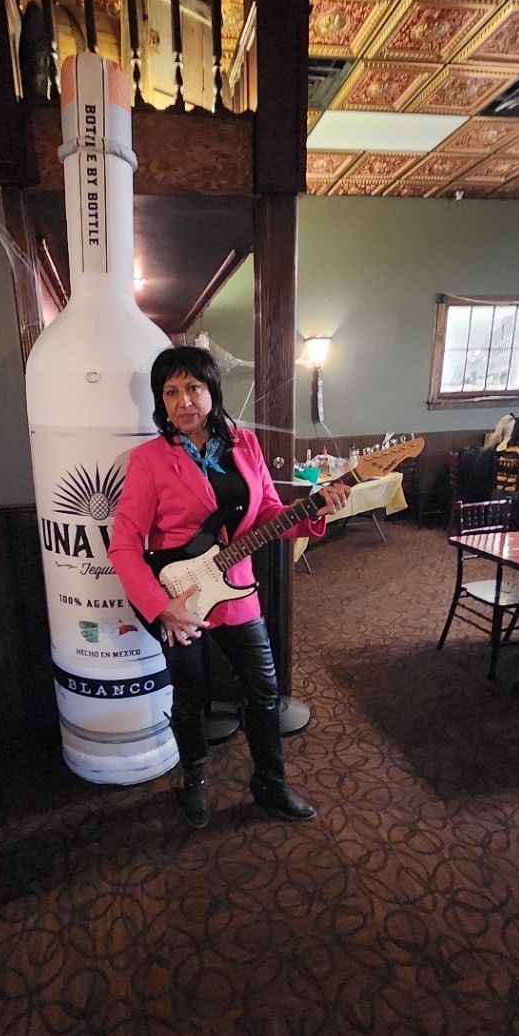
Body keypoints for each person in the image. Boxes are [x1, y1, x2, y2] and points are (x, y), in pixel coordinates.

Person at [109, 345, 349, 828]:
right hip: (179, 595)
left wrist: (314, 509)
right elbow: (123, 546)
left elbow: (266, 515)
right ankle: (193, 781)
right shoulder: (148, 460)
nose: (183, 402)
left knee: (263, 690)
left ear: (212, 392)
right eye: (171, 391)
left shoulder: (246, 444)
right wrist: (161, 608)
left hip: (236, 590)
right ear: (161, 401)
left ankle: (270, 785)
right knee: (190, 696)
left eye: (193, 388)